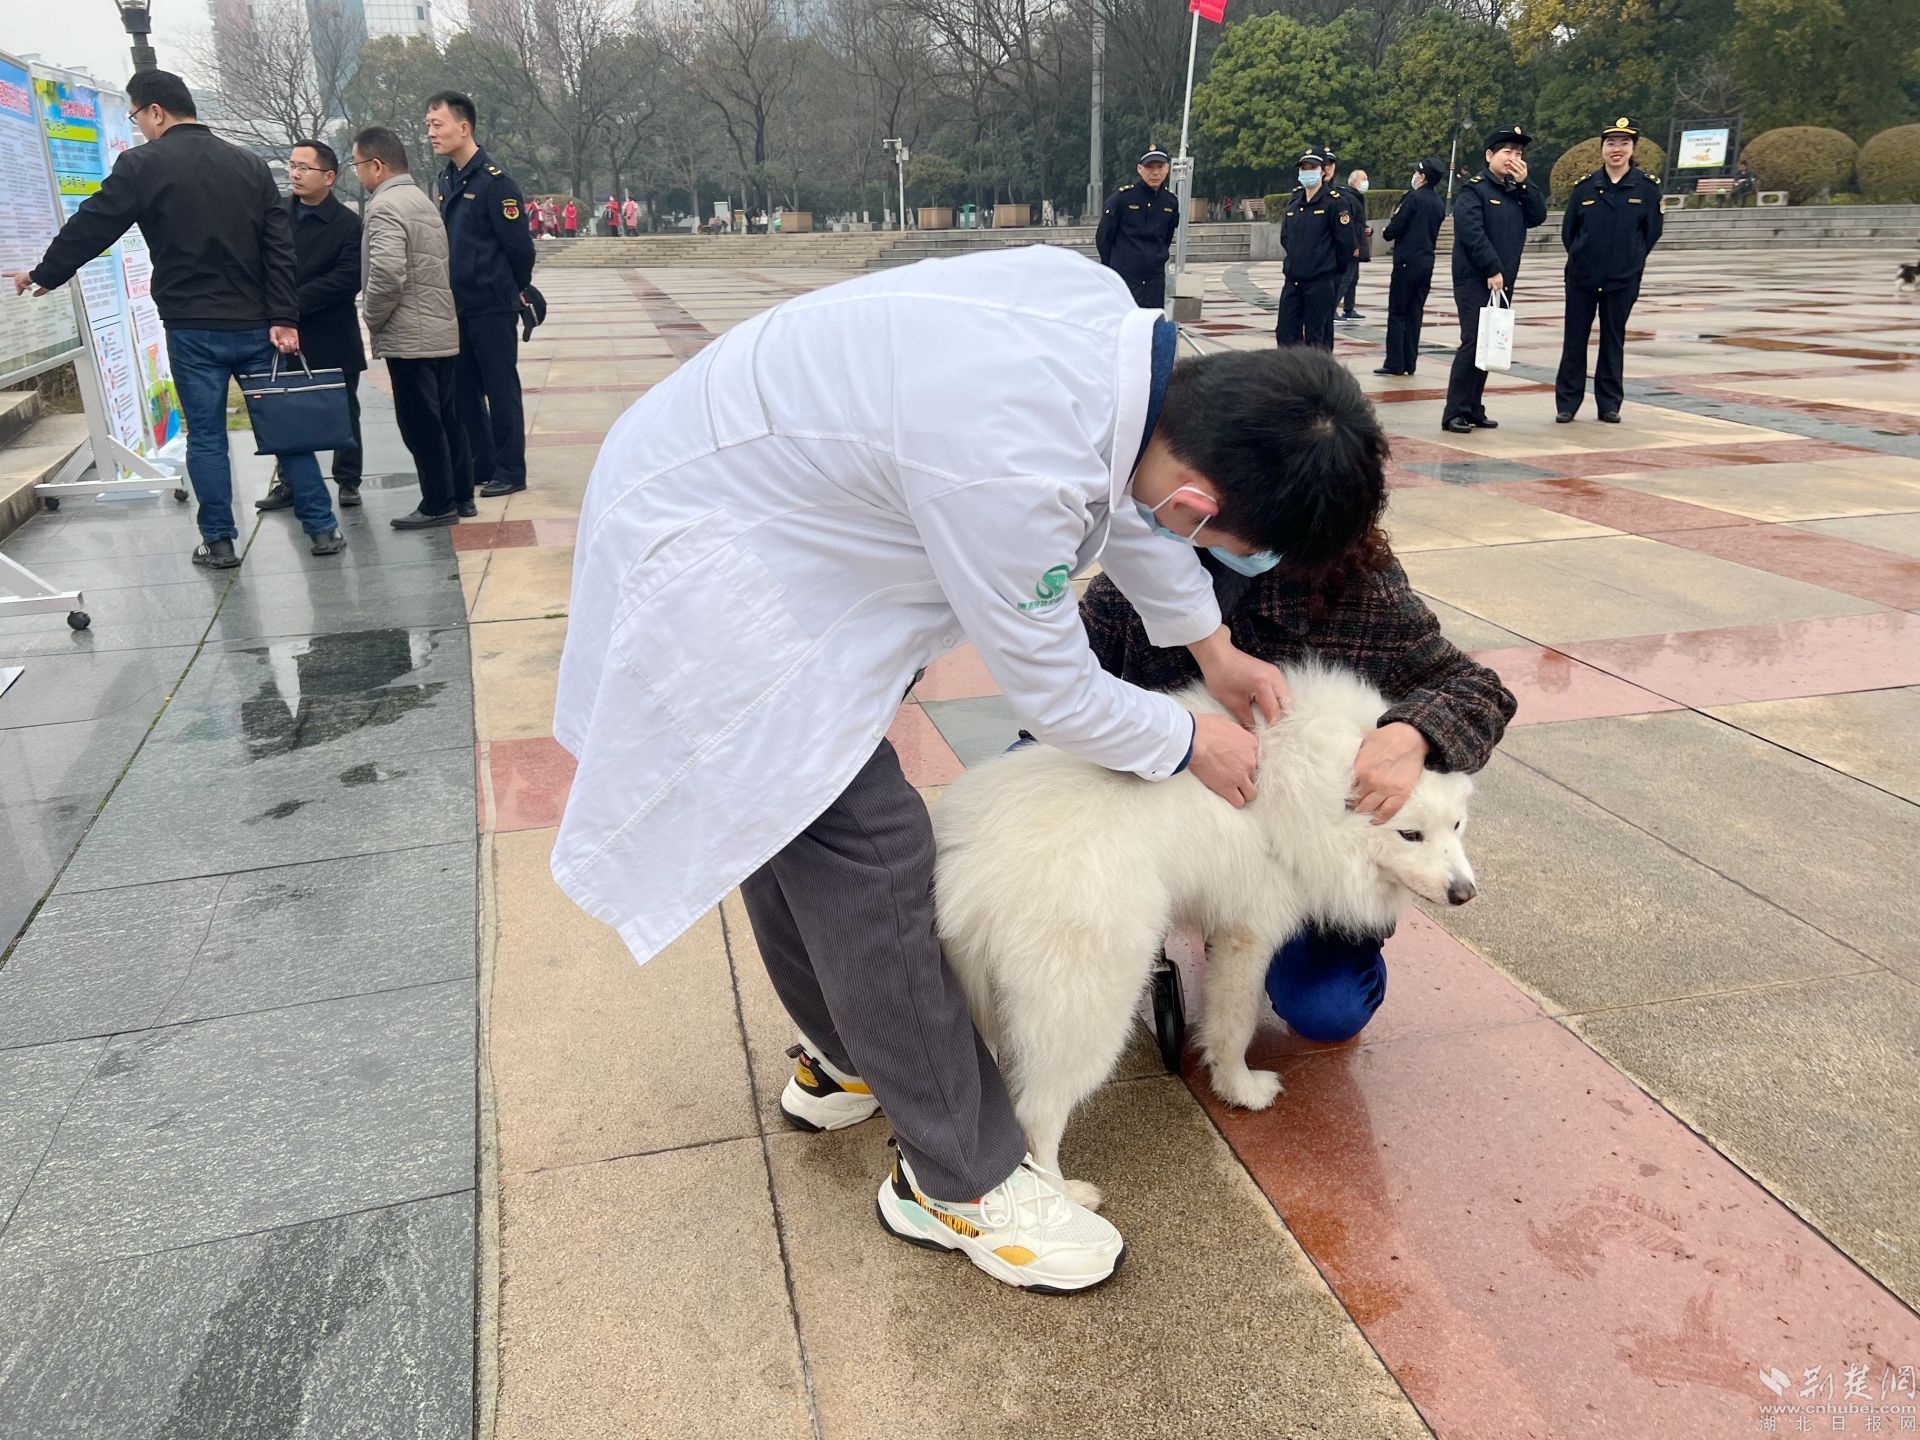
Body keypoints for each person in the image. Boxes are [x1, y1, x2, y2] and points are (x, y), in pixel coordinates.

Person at [553, 248, 1389, 1294]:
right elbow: (1055, 692)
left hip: (738, 489)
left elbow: (1130, 505)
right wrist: (1191, 740)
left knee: (782, 809)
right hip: (713, 556)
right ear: (1199, 503)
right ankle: (957, 1179)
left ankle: (848, 1056)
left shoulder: (1116, 349)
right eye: (1236, 546)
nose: (1231, 561)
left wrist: (1211, 649)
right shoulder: (1013, 465)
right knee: (869, 847)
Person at [1080, 534, 1514, 1046]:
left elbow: (1479, 690)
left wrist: (1414, 731)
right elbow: (1065, 705)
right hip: (1179, 838)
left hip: (1313, 867)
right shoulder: (1129, 579)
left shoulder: (1358, 583)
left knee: (1329, 1008)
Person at [9, 70, 341, 567]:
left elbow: (94, 224)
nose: (140, 127)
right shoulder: (249, 165)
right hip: (257, 324)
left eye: (137, 117)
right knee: (286, 428)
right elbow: (279, 249)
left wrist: (47, 272)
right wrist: (284, 316)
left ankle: (219, 542)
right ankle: (323, 530)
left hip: (192, 328)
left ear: (156, 111)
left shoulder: (141, 165)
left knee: (206, 437)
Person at [352, 126, 474, 530]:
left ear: (376, 165)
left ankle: (438, 503)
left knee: (421, 424)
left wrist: (372, 316)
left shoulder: (385, 206)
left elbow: (388, 273)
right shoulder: (421, 199)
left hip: (410, 334)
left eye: (357, 164)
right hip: (439, 328)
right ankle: (461, 495)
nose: (357, 173)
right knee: (448, 417)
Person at [429, 89, 535, 499]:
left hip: (492, 304)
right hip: (458, 305)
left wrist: (514, 287)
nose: (431, 133)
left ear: (464, 127)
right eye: (429, 125)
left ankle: (511, 469)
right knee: (465, 391)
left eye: (437, 124)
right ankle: (484, 462)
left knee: (500, 388)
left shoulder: (496, 183)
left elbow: (520, 248)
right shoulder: (446, 179)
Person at [258, 139, 365, 515]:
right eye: (292, 166)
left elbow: (347, 278)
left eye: (304, 168)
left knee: (343, 409)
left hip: (331, 330)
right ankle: (289, 482)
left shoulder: (348, 223)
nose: (295, 174)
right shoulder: (275, 214)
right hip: (284, 330)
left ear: (329, 176)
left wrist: (291, 301)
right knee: (286, 409)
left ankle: (348, 480)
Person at [1555, 117, 1663, 425]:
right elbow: (1569, 232)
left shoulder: (1646, 188)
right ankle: (1567, 403)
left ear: (1633, 148)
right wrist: (1583, 256)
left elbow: (1651, 233)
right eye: (1611, 143)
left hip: (1622, 279)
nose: (1617, 149)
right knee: (1574, 340)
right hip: (1582, 278)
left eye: (1624, 143)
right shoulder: (1585, 187)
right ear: (1602, 148)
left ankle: (1609, 403)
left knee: (1613, 341)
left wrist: (1630, 260)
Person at [1441, 124, 1547, 435]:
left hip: (1502, 280)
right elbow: (1472, 233)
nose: (1513, 158)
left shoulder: (1515, 191)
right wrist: (1491, 268)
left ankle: (1474, 407)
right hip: (1476, 278)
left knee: (1490, 342)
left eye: (1519, 153)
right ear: (1489, 155)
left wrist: (1526, 184)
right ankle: (1454, 411)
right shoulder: (1474, 190)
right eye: (1507, 151)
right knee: (1473, 340)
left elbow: (1538, 216)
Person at [1377, 156, 1446, 376]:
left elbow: (1395, 227)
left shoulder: (1413, 198)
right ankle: (1410, 361)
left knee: (1398, 312)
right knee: (1415, 312)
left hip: (1407, 262)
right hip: (1426, 262)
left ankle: (1395, 363)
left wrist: (1386, 232)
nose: (1414, 176)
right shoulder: (1438, 202)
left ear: (1423, 177)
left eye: (1416, 172)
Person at [1274, 149, 1345, 350]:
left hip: (1320, 281)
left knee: (1317, 337)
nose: (1307, 172)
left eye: (1312, 168)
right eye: (1303, 168)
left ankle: (1318, 371)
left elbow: (1344, 244)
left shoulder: (1334, 203)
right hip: (1294, 280)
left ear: (1323, 171)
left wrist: (1328, 267)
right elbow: (1286, 237)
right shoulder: (1295, 204)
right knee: (1285, 334)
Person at [1094, 143, 1180, 309]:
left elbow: (1166, 238)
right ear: (1140, 169)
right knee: (1125, 321)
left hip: (1154, 279)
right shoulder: (1122, 198)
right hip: (1126, 277)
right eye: (1150, 167)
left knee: (1153, 321)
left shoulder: (1170, 202)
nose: (1155, 173)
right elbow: (1104, 238)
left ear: (1167, 169)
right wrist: (1113, 269)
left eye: (1160, 167)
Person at [1316, 147, 1359, 346]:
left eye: (1331, 164)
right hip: (1306, 270)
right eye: (1324, 163)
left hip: (1329, 269)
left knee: (1323, 330)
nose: (1328, 168)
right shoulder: (1300, 197)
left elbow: (1346, 237)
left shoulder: (1339, 198)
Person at [1336, 166, 1372, 321]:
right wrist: (1353, 245)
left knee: (1353, 278)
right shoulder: (1349, 198)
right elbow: (1348, 224)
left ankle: (1349, 308)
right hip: (1351, 246)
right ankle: (1332, 308)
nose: (1366, 182)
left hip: (1357, 242)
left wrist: (1366, 228)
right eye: (1364, 179)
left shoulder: (1356, 198)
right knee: (1345, 278)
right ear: (1355, 181)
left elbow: (1357, 222)